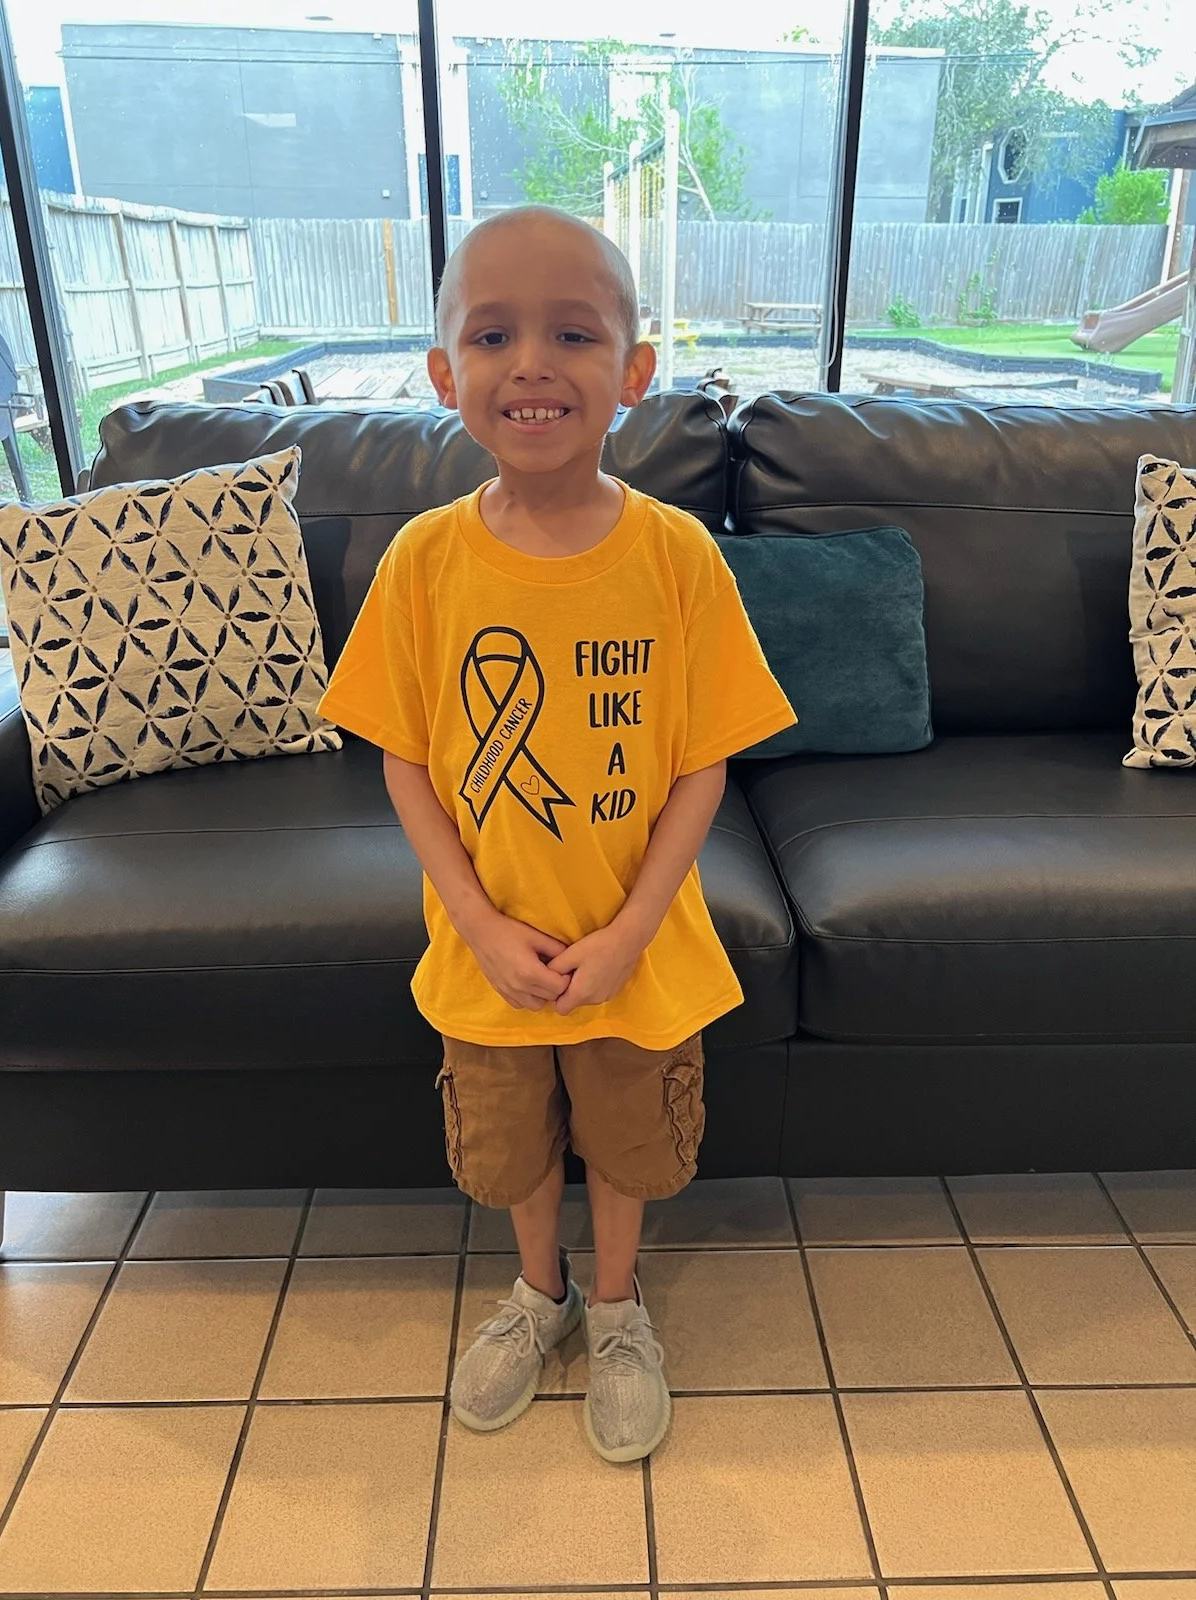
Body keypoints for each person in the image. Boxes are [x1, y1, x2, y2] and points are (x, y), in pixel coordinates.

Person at [316, 205, 796, 1463]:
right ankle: (544, 1293)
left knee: (627, 1135)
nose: (532, 362)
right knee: (516, 1138)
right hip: (489, 954)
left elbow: (705, 762)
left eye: (573, 333)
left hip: (640, 952)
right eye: (493, 333)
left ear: (634, 373)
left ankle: (621, 1304)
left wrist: (637, 923)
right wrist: (476, 919)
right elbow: (404, 761)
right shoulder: (423, 564)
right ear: (445, 376)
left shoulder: (679, 556)